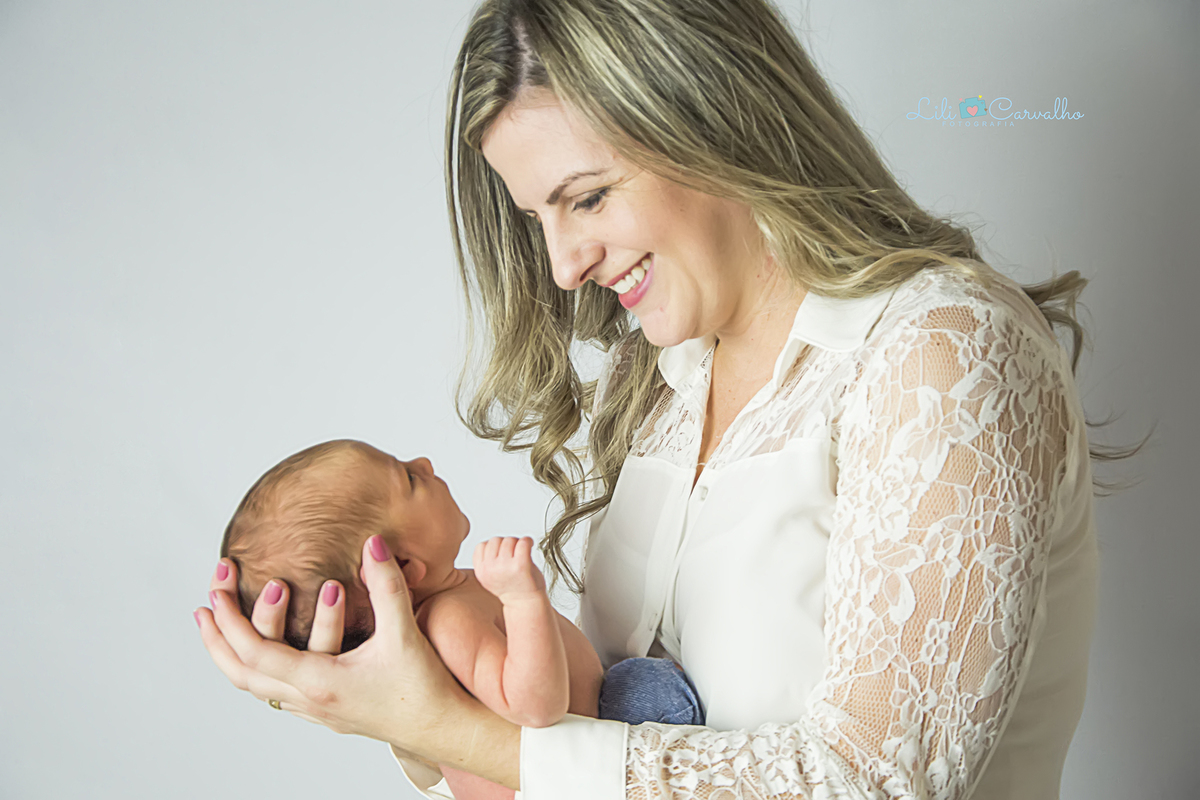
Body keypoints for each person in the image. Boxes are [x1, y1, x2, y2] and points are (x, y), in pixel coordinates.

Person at [196, 0, 1106, 797]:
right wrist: (384, 680)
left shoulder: (939, 350)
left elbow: (872, 781)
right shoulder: (668, 387)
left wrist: (443, 728)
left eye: (586, 199)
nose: (561, 268)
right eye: (536, 218)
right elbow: (589, 733)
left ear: (712, 120)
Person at [215, 438, 705, 800]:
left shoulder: (448, 606)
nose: (424, 463)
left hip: (577, 759)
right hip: (583, 759)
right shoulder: (450, 621)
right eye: (408, 478)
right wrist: (523, 598)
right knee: (659, 690)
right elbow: (536, 709)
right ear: (402, 566)